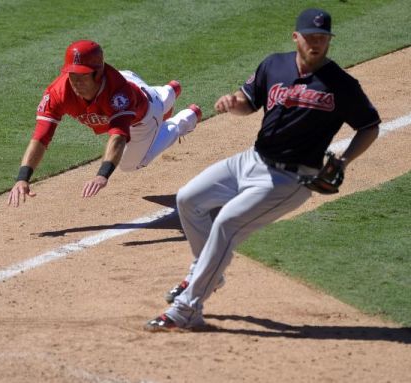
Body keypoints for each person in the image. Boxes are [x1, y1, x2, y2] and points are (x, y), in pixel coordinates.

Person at [145, 8, 381, 331]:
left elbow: (369, 126)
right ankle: (206, 274)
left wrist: (344, 160)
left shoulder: (342, 84)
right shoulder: (275, 64)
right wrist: (232, 103)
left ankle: (188, 309)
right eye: (310, 37)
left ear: (328, 41)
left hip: (291, 180)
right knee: (188, 199)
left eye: (323, 38)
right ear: (296, 37)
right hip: (251, 160)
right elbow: (248, 100)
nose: (317, 43)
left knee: (227, 224)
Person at [8, 40, 202, 207]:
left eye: (82, 76)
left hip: (142, 118)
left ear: (97, 73)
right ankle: (168, 91)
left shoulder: (119, 95)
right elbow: (41, 137)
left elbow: (118, 136)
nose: (76, 82)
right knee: (152, 97)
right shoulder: (58, 92)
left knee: (129, 165)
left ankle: (184, 120)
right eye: (72, 75)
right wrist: (22, 177)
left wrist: (103, 174)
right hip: (132, 84)